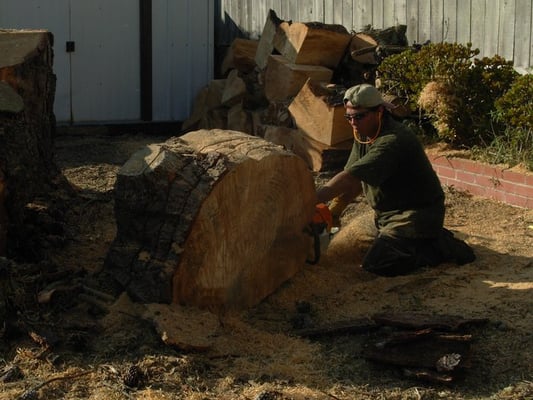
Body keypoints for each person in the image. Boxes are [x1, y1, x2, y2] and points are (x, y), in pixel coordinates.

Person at [316, 83, 475, 276]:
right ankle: (419, 240)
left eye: (359, 116)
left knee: (378, 264)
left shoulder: (393, 140)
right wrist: (335, 209)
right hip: (386, 215)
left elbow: (350, 178)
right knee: (352, 243)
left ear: (379, 112)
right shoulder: (364, 135)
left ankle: (436, 247)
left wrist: (313, 200)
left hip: (414, 215)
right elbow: (355, 178)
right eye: (348, 117)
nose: (353, 123)